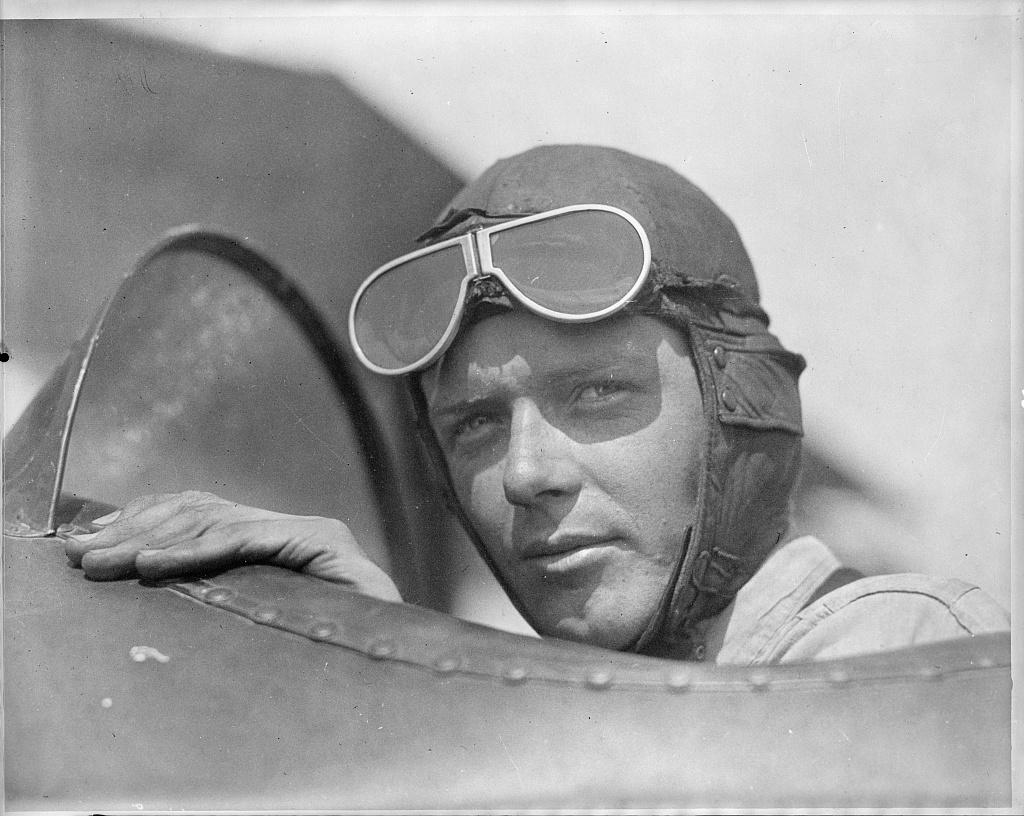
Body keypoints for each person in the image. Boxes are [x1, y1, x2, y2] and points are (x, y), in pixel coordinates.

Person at [64, 145, 1008, 664]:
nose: (525, 474)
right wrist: (393, 659)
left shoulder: (890, 646)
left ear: (737, 410)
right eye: (473, 425)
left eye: (598, 393)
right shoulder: (596, 695)